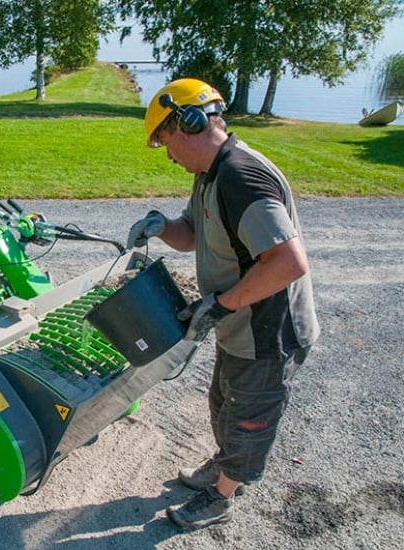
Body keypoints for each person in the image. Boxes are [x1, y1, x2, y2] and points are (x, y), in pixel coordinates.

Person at [128, 78, 320, 530]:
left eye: (165, 141)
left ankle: (221, 498)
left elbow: (289, 262)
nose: (168, 155)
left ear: (188, 123)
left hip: (267, 331)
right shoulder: (209, 175)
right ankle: (223, 466)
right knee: (223, 402)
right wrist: (159, 225)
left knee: (249, 417)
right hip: (238, 321)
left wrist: (221, 303)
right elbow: (192, 234)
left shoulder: (241, 177)